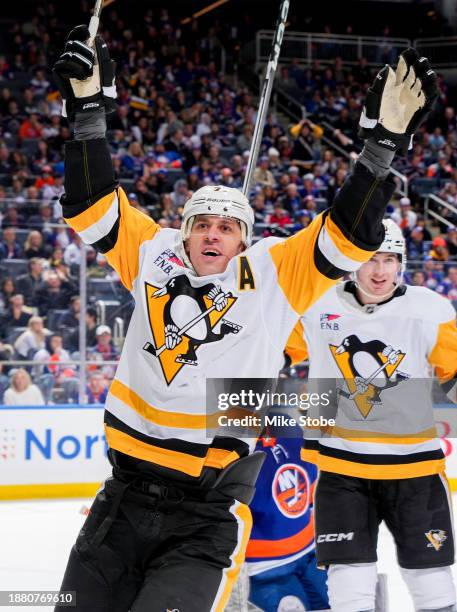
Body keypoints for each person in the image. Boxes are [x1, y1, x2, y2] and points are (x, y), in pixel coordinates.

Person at [52, 26, 436, 612]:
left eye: (227, 226)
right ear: (183, 231)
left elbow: (347, 235)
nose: (212, 233)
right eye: (201, 222)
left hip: (204, 514)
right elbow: (91, 203)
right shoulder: (152, 253)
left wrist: (381, 145)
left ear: (246, 238)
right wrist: (85, 117)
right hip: (122, 500)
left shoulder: (278, 274)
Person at [293, 220, 457, 612]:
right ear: (352, 262)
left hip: (414, 467)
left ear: (400, 263)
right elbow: (268, 355)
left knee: (431, 578)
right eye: (369, 259)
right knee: (349, 585)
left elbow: (452, 373)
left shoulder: (430, 309)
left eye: (388, 259)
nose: (379, 270)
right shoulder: (317, 305)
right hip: (342, 466)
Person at [245, 414, 328, 612]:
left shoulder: (288, 425)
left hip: (311, 554)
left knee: (340, 602)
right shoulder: (233, 443)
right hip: (265, 569)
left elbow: (310, 482)